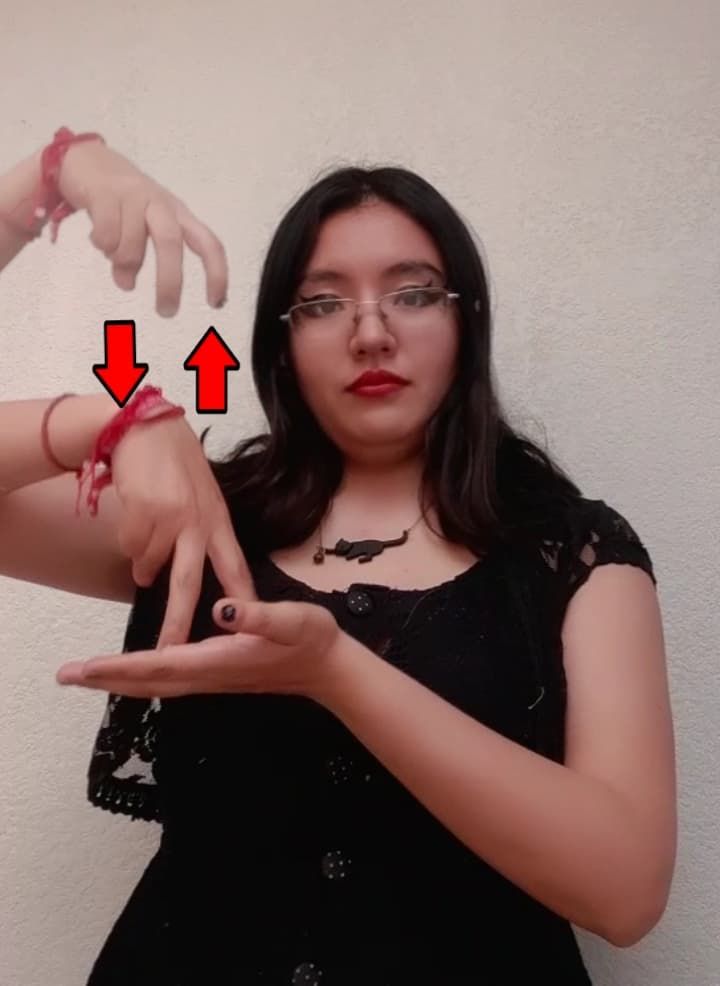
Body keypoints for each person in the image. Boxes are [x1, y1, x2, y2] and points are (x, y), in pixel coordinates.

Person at [0, 143, 677, 985]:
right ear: (282, 343)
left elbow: (626, 892)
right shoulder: (200, 519)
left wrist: (336, 673)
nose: (371, 333)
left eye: (413, 293)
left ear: (466, 322)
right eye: (322, 303)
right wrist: (103, 413)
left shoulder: (572, 551)